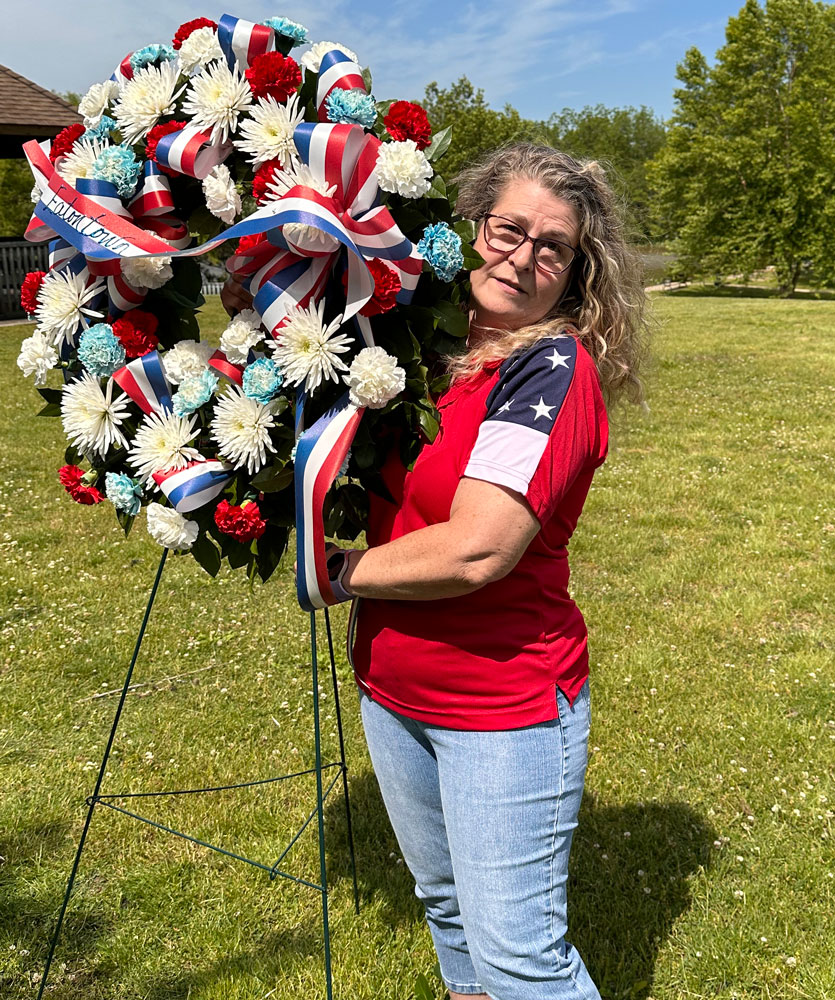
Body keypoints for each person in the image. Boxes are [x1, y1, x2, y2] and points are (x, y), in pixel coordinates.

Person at [224, 142, 646, 999]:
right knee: (448, 907)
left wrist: (336, 574)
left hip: (503, 707)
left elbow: (478, 547)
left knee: (521, 959)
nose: (523, 258)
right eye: (508, 230)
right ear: (472, 228)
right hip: (393, 688)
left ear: (574, 274)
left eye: (553, 247)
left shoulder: (548, 372)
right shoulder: (420, 347)